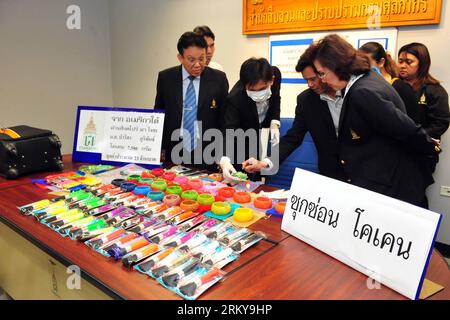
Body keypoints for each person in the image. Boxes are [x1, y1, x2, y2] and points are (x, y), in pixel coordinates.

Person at [310, 34, 438, 206]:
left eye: (322, 73)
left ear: (337, 66)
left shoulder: (362, 91)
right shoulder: (365, 78)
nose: (323, 80)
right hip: (383, 177)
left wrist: (431, 146)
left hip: (390, 184)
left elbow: (405, 128)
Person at [243, 45, 344, 182]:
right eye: (306, 80)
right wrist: (266, 162)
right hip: (330, 175)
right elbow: (293, 138)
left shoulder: (352, 93)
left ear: (324, 72)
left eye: (313, 78)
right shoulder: (306, 101)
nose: (309, 84)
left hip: (363, 175)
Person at [154, 32, 229, 169]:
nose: (197, 64)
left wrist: (222, 154)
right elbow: (159, 114)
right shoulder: (166, 78)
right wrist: (158, 148)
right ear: (180, 57)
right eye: (191, 59)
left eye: (201, 58)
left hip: (207, 150)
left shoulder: (219, 79)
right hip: (174, 148)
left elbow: (224, 120)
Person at [219, 58, 281, 183]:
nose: (258, 94)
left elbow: (276, 97)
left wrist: (274, 121)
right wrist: (224, 160)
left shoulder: (275, 74)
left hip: (258, 129)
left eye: (263, 88)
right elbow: (229, 131)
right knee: (239, 174)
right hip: (242, 135)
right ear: (244, 85)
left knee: (256, 173)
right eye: (253, 90)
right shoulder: (235, 98)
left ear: (272, 80)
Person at [359, 42, 421, 123]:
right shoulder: (361, 86)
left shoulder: (401, 88)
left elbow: (413, 121)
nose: (362, 67)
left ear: (381, 62)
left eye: (367, 63)